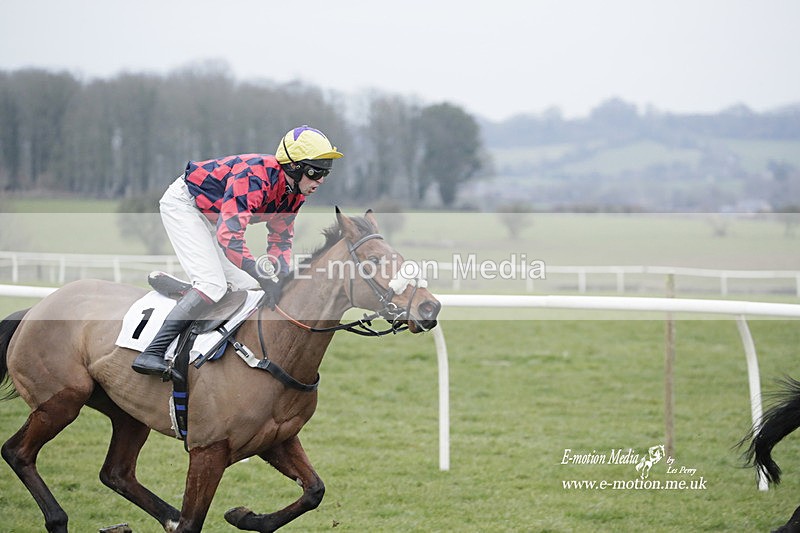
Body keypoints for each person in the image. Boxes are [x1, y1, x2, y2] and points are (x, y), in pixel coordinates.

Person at [132, 125, 343, 379]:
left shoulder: (294, 193)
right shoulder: (256, 177)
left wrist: (282, 278)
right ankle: (152, 351)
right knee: (212, 285)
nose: (320, 180)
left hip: (213, 216)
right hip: (185, 205)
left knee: (249, 287)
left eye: (325, 174)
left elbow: (280, 238)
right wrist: (262, 273)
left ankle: (189, 295)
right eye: (315, 172)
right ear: (294, 167)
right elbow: (230, 236)